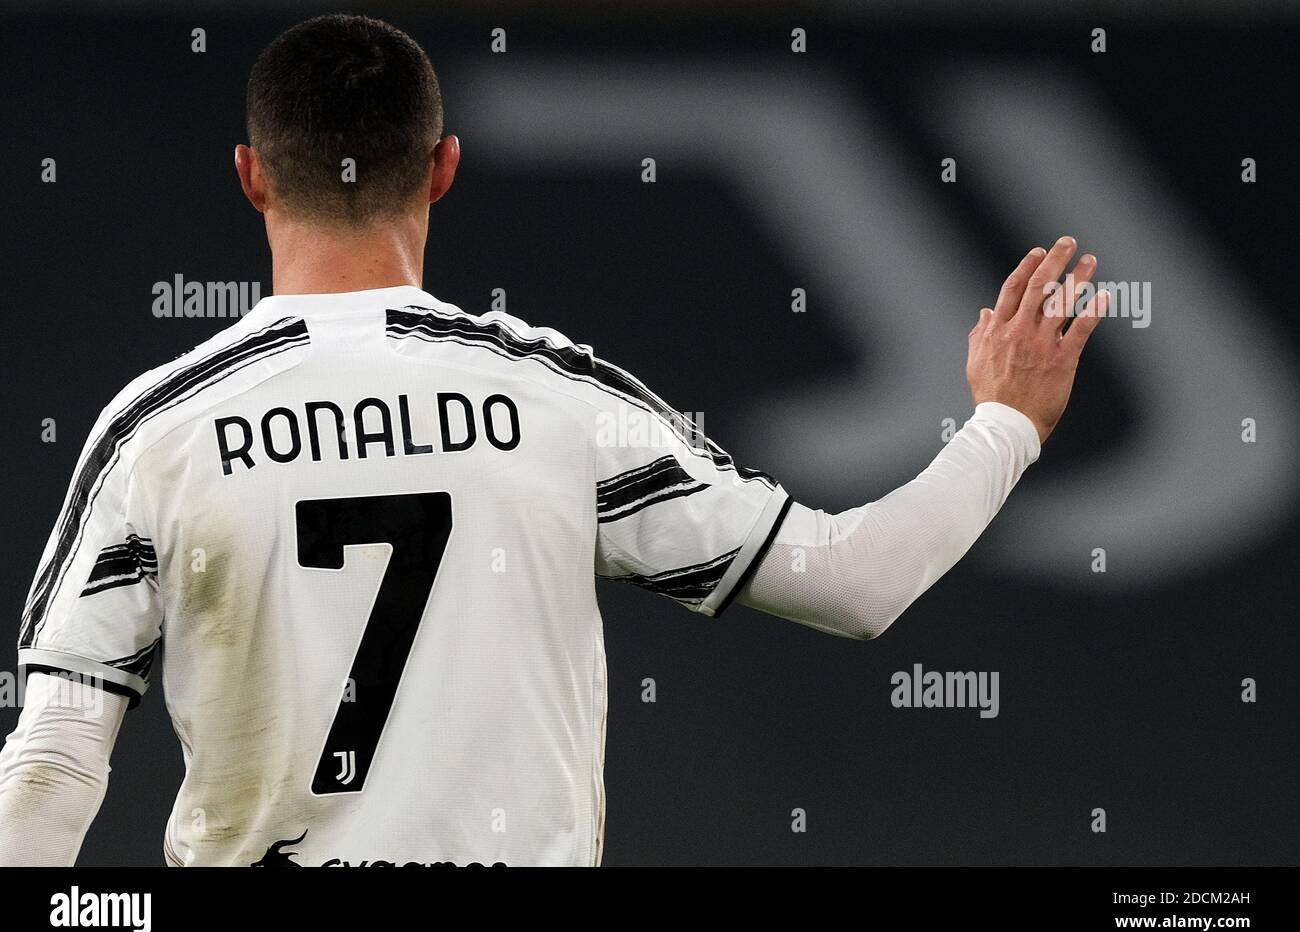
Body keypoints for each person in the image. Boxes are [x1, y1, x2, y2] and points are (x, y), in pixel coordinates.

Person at [0, 14, 1107, 867]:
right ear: (441, 167)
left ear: (250, 173)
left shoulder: (163, 428)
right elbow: (855, 581)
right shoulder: (551, 399)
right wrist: (1005, 420)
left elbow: (51, 763)